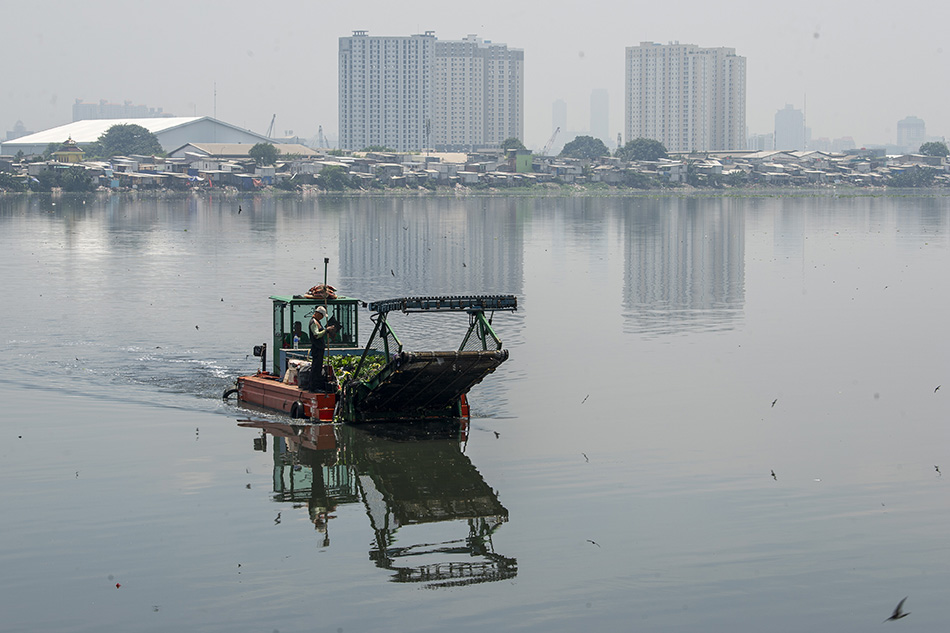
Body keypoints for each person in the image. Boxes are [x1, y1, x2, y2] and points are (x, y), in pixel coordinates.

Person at [306, 306, 336, 391]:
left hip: (320, 348)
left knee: (318, 367)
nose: (322, 317)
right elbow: (316, 335)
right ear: (318, 314)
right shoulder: (313, 322)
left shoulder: (317, 321)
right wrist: (326, 330)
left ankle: (317, 385)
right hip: (316, 348)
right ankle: (313, 387)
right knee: (316, 367)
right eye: (322, 315)